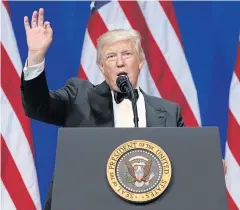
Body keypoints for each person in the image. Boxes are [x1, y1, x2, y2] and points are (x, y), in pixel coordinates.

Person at [21, 8, 185, 210]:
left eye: (127, 54)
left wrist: (203, 166)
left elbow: (180, 168)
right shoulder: (79, 96)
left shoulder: (168, 112)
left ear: (140, 61)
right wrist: (36, 57)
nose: (119, 62)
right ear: (101, 66)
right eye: (110, 57)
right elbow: (38, 106)